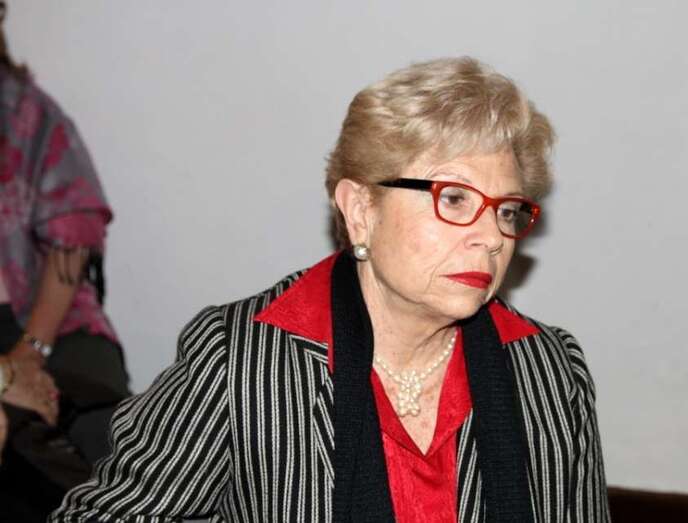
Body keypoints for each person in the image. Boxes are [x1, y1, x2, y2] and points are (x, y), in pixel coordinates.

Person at [51, 57, 610, 522]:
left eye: (507, 210)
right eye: (455, 198)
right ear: (361, 210)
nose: (491, 237)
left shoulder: (548, 370)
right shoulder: (241, 360)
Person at [0, 1, 131, 519]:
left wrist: (30, 352)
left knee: (108, 438)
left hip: (54, 319)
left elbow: (73, 239)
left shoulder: (29, 115)